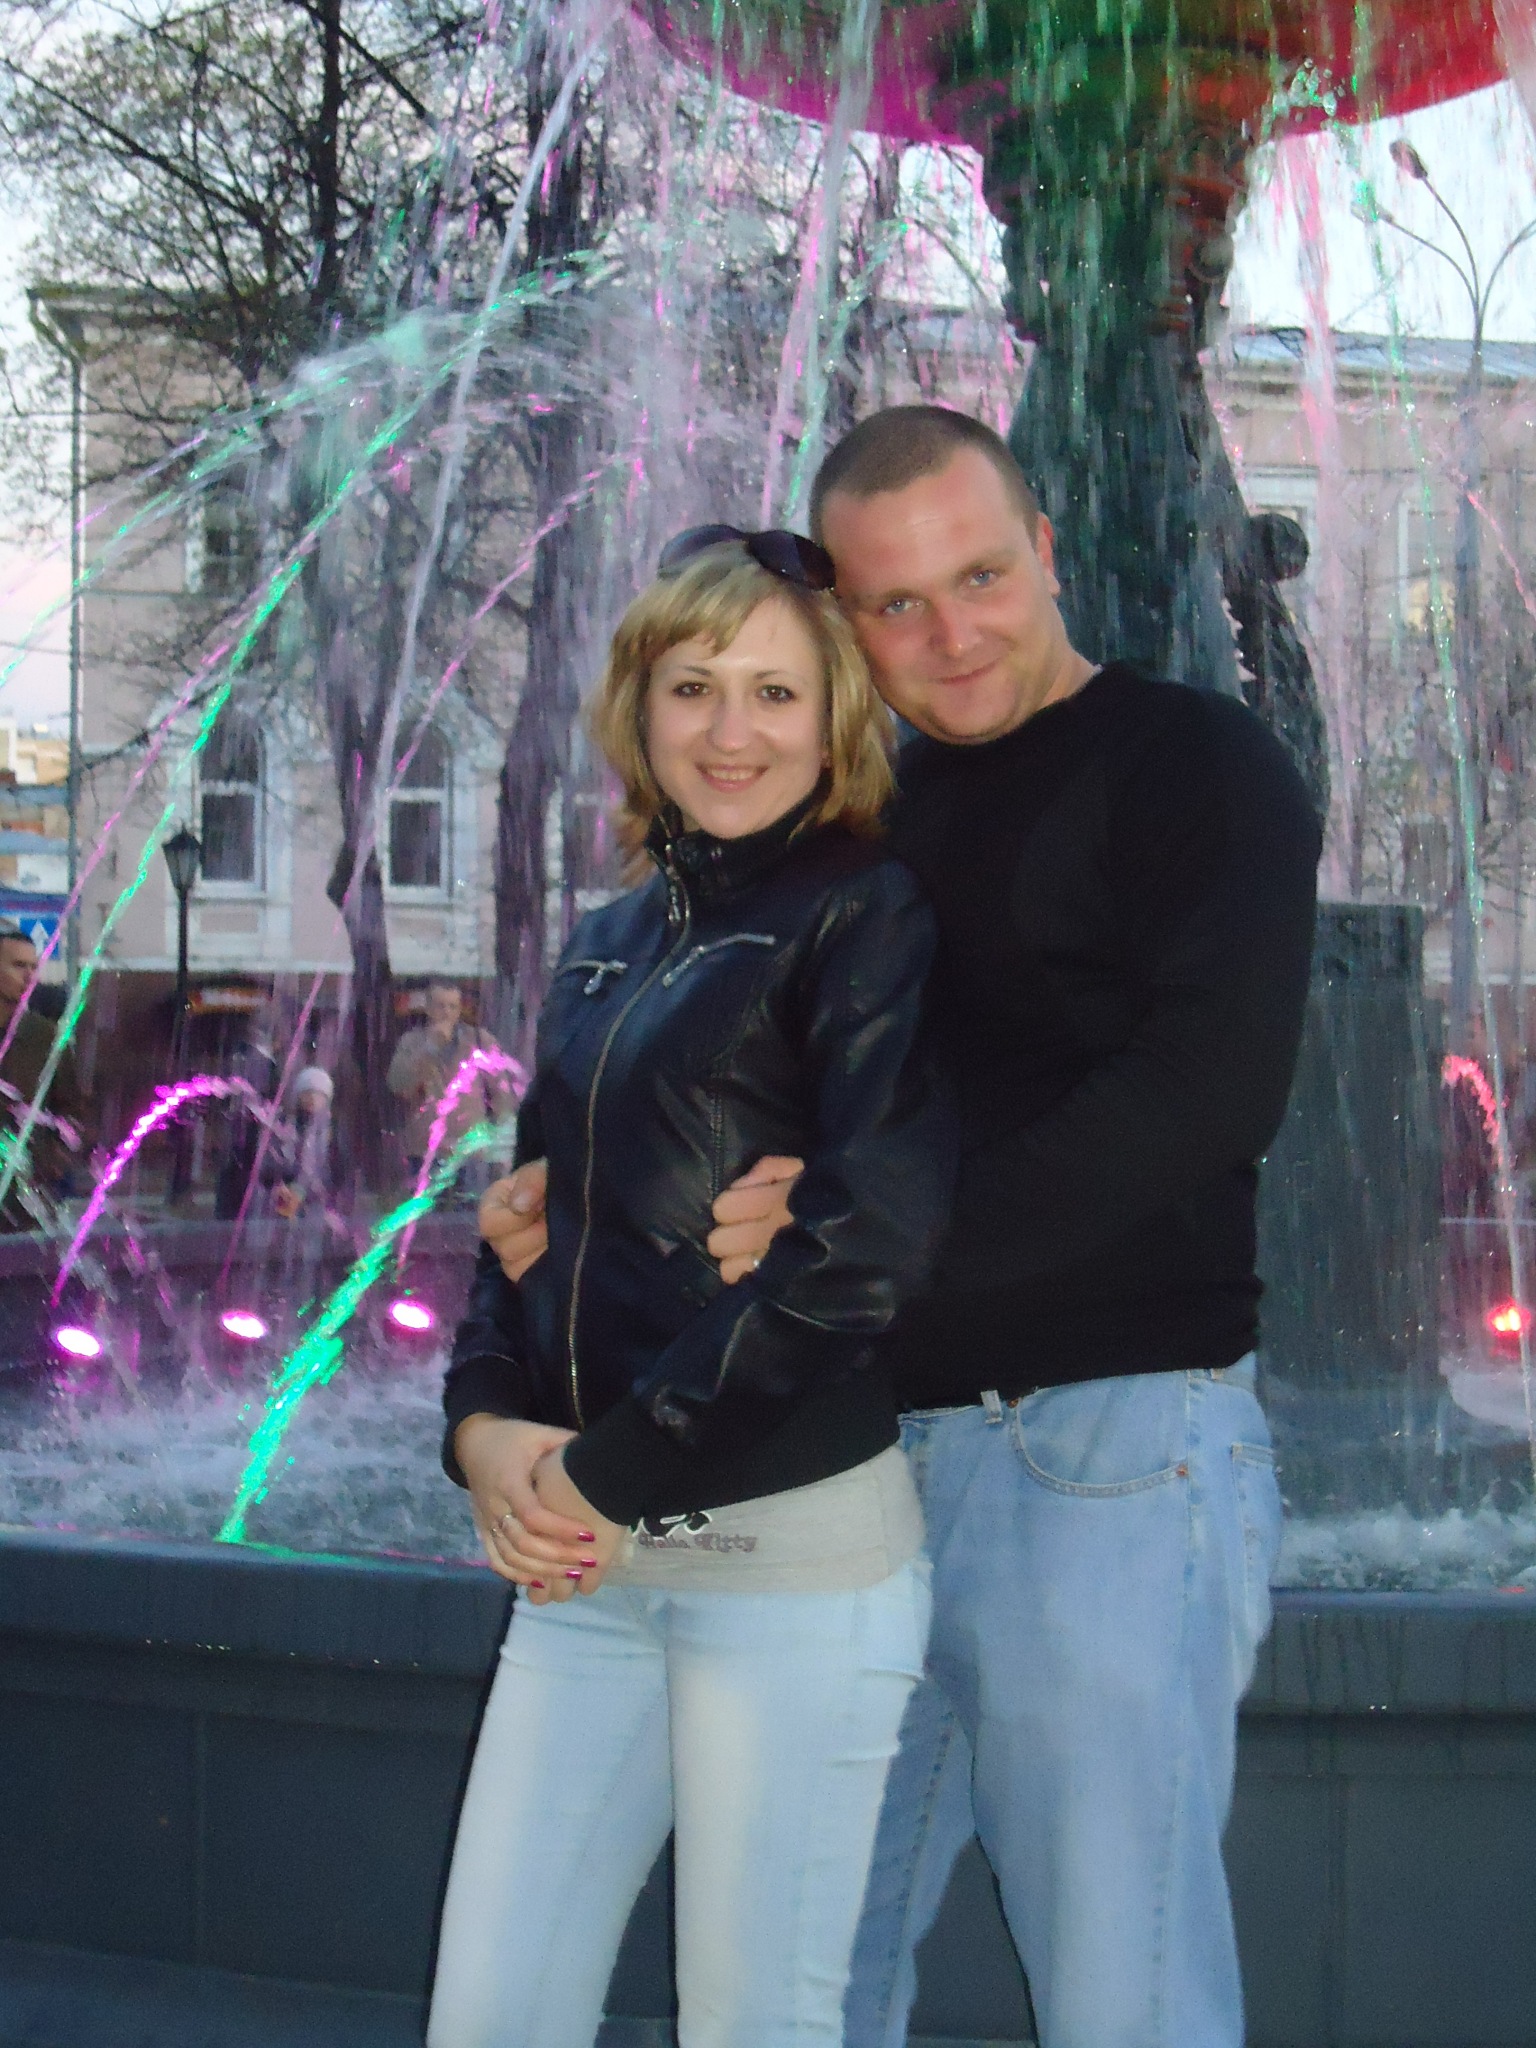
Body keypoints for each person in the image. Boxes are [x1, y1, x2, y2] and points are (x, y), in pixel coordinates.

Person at [482, 408, 1322, 2048]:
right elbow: (760, 1086)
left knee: (1125, 1989)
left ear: (1047, 552)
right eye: (897, 604)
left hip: (1097, 1445)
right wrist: (575, 1203)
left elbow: (1207, 1095)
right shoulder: (861, 810)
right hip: (842, 1473)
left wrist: (863, 1234)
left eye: (982, 577)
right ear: (845, 619)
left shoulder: (1193, 763)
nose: (953, 634)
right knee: (798, 1987)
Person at [427, 530, 954, 2048]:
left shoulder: (868, 913)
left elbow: (862, 1253)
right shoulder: (607, 941)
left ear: (836, 718)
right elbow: (527, 1220)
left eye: (776, 692)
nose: (732, 730)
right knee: (490, 2018)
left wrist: (602, 1473)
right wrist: (482, 1429)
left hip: (784, 1564)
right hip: (590, 1565)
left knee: (755, 2026)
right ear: (639, 706)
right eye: (695, 685)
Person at [0, 919, 89, 1229]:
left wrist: (49, 1163)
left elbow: (72, 1111)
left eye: (33, 967)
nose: (29, 976)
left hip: (24, 1202)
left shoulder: (46, 1037)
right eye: (18, 966)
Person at [386, 980, 513, 1189]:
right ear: (428, 1008)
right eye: (440, 1006)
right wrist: (429, 1049)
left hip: (471, 1152)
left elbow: (502, 1094)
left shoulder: (480, 1041)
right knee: (428, 1208)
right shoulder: (411, 1042)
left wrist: (502, 1148)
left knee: (470, 1206)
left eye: (452, 1006)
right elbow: (397, 1084)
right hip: (426, 1152)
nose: (446, 1012)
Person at [214, 1001, 282, 1220]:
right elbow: (263, 1094)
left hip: (246, 1125)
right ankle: (236, 1212)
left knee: (239, 1167)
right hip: (249, 1125)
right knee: (244, 1168)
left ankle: (233, 1212)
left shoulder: (244, 1056)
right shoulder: (256, 1059)